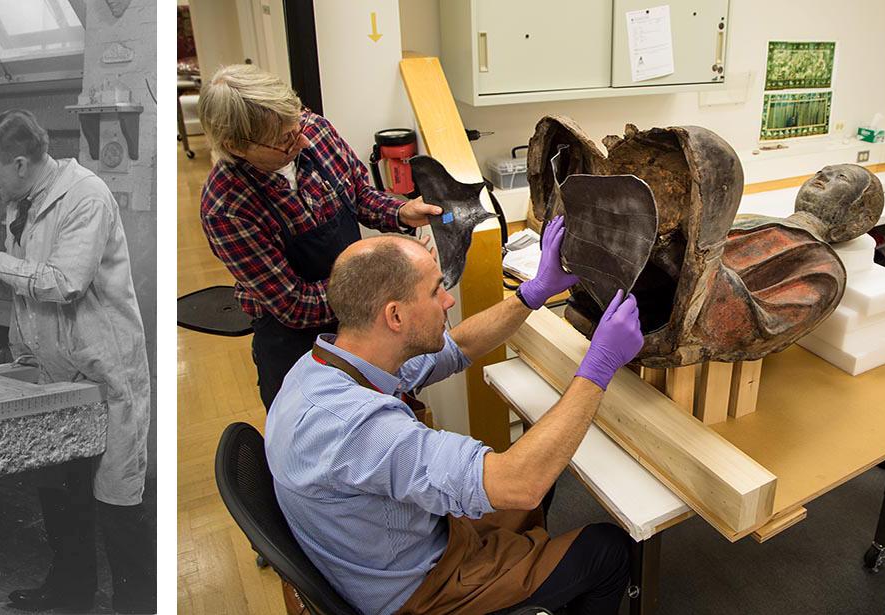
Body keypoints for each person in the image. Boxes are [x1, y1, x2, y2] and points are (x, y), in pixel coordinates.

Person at [264, 220, 646, 615]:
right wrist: (599, 365)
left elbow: (457, 346)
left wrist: (532, 293)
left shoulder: (327, 366)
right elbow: (521, 483)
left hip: (396, 542)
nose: (447, 301)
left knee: (529, 480)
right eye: (434, 291)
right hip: (418, 591)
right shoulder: (361, 429)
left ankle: (528, 573)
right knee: (606, 549)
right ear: (394, 316)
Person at [0, 109, 152, 613]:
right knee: (60, 491)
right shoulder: (22, 201)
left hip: (103, 369)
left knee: (117, 501)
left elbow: (64, 282)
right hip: (51, 367)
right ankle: (70, 589)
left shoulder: (86, 196)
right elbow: (27, 276)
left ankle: (136, 604)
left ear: (19, 163)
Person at [197, 63, 444, 410]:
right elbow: (294, 305)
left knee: (383, 424)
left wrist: (400, 212)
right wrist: (379, 292)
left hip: (363, 318)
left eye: (295, 124)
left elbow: (359, 194)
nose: (299, 139)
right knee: (322, 442)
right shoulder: (227, 207)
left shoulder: (313, 131)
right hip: (297, 341)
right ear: (236, 146)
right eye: (283, 140)